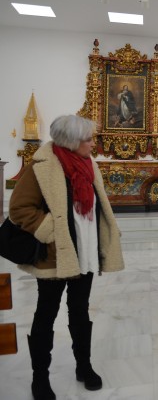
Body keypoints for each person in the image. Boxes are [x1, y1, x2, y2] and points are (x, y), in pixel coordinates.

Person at [9, 115, 124, 400]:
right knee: (46, 314)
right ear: (72, 142)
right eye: (88, 138)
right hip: (56, 255)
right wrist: (51, 231)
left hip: (85, 254)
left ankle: (83, 367)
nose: (92, 143)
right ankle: (40, 378)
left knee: (80, 312)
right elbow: (19, 209)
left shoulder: (89, 164)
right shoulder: (43, 166)